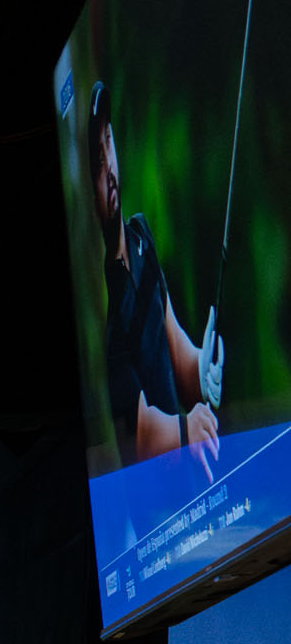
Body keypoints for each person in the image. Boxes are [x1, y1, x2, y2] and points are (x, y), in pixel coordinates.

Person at [90, 86, 228, 468]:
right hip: (153, 500)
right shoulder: (106, 303)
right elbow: (143, 435)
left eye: (108, 144)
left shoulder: (140, 239)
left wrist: (201, 368)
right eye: (97, 163)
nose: (109, 168)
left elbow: (176, 349)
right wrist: (185, 428)